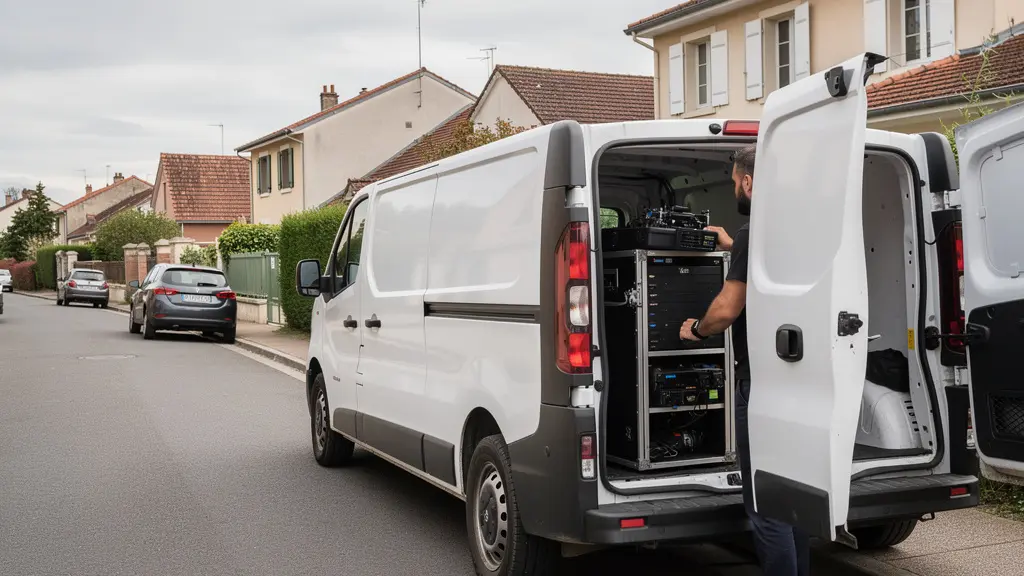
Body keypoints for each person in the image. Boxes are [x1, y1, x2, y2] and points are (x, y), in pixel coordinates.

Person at [679, 145, 810, 576]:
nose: (735, 189)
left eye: (735, 182)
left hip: (762, 385)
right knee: (792, 498)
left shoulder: (756, 230)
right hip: (800, 381)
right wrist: (732, 244)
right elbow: (769, 268)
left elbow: (727, 309)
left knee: (765, 504)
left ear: (749, 182)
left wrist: (696, 329)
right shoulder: (794, 229)